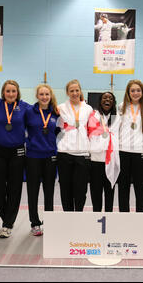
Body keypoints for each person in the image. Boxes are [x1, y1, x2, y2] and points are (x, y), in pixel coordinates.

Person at [0, 80, 30, 238]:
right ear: (3, 93)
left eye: (13, 91)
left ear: (17, 92)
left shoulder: (25, 107)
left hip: (17, 152)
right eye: (8, 91)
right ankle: (5, 217)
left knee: (15, 188)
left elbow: (41, 113)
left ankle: (8, 223)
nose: (11, 94)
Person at [25, 84, 60, 236]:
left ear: (50, 96)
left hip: (50, 157)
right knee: (32, 191)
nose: (44, 97)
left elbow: (59, 131)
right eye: (41, 94)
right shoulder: (29, 112)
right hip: (33, 156)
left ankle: (50, 221)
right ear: (37, 96)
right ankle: (35, 223)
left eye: (47, 94)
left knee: (49, 191)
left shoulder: (56, 113)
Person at [56, 79, 94, 211]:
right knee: (65, 188)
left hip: (82, 154)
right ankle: (67, 215)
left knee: (81, 189)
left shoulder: (88, 109)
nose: (74, 93)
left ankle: (78, 214)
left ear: (80, 91)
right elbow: (56, 129)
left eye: (77, 90)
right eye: (71, 91)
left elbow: (93, 130)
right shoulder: (60, 108)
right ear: (67, 93)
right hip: (64, 153)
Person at [118, 79, 143, 213]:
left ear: (142, 92)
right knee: (123, 187)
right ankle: (124, 215)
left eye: (138, 90)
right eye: (132, 90)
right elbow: (116, 129)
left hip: (141, 152)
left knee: (140, 188)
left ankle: (140, 216)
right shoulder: (122, 106)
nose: (135, 93)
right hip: (123, 151)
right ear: (128, 92)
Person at [88, 91, 120, 212]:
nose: (107, 100)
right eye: (105, 98)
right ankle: (96, 216)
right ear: (100, 101)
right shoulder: (93, 116)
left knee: (109, 193)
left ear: (113, 102)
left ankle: (108, 217)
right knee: (96, 193)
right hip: (96, 160)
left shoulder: (117, 118)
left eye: (110, 98)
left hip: (111, 160)